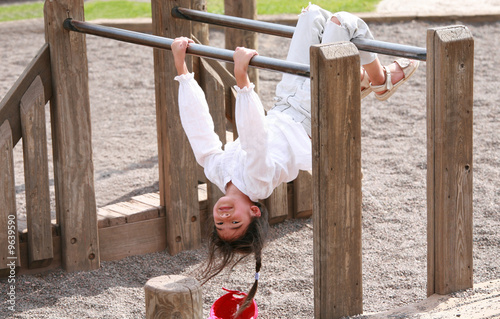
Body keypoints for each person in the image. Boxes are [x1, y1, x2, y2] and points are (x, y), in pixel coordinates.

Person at [171, 4, 419, 317]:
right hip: (309, 114)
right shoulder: (257, 182)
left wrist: (182, 71)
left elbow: (199, 132)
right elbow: (253, 138)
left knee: (312, 15)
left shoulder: (217, 171)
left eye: (220, 223)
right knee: (343, 24)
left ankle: (358, 81)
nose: (224, 216)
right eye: (235, 222)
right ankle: (380, 79)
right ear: (254, 211)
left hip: (286, 101)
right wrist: (243, 80)